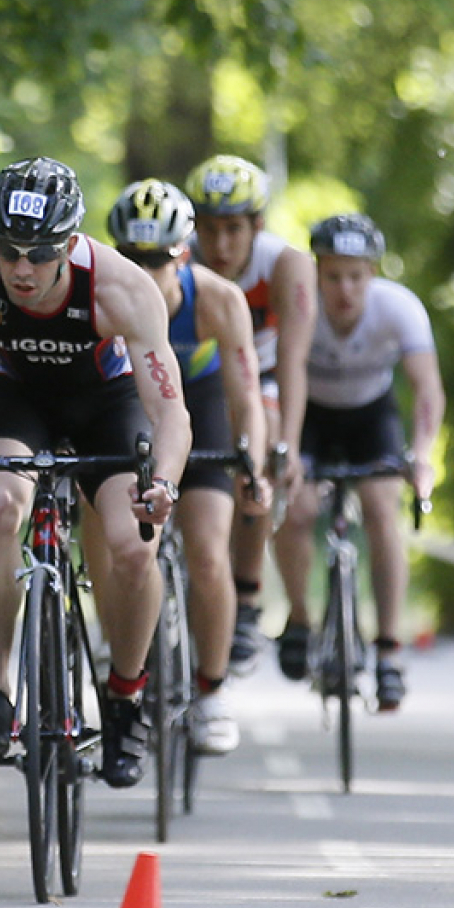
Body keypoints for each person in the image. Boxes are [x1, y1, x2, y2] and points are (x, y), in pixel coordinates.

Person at [0, 157, 191, 788]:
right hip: (18, 400)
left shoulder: (119, 287)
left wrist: (164, 483)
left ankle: (125, 696)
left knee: (132, 546)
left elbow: (171, 410)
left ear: (70, 243)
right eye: (8, 251)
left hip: (107, 406)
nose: (21, 269)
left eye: (40, 254)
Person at [104, 179, 272, 755]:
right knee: (118, 540)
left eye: (157, 259)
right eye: (132, 258)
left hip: (200, 410)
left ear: (183, 253)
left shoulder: (218, 299)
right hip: (129, 408)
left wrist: (252, 463)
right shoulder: (104, 296)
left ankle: (212, 690)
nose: (144, 271)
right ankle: (120, 648)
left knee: (206, 549)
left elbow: (246, 396)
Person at [275, 213, 443, 712]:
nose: (344, 289)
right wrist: (288, 449)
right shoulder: (301, 307)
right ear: (316, 273)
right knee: (297, 509)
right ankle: (299, 618)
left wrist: (423, 455)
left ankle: (389, 649)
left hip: (372, 417)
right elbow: (288, 371)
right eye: (333, 276)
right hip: (311, 414)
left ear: (373, 273)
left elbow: (427, 389)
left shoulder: (398, 308)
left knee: (381, 508)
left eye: (355, 276)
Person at [182, 154, 316, 675]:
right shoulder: (176, 256)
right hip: (192, 379)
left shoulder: (285, 264)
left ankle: (247, 595)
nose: (220, 245)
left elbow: (294, 360)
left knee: (261, 445)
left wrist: (290, 446)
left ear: (257, 225)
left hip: (260, 377)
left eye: (234, 229)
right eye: (209, 229)